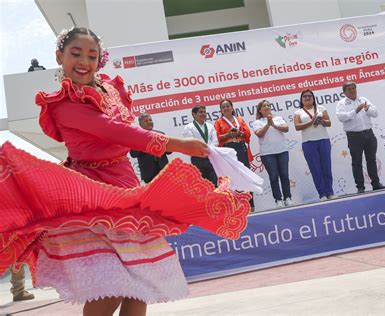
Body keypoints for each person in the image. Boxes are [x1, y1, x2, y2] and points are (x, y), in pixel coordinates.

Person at [0, 27, 251, 316]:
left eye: (91, 56)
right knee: (111, 291)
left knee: (141, 284)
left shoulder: (108, 89)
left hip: (126, 188)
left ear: (100, 60)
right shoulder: (64, 104)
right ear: (60, 56)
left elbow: (126, 127)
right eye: (75, 53)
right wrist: (176, 144)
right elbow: (116, 131)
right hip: (92, 196)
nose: (83, 61)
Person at [336, 82, 385, 193]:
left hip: (369, 134)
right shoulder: (342, 104)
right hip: (354, 136)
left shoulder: (363, 99)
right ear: (344, 92)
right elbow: (341, 117)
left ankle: (376, 183)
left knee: (371, 160)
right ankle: (360, 187)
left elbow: (375, 113)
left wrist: (366, 109)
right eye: (349, 89)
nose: (352, 90)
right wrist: (355, 111)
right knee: (357, 162)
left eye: (354, 88)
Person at [294, 90, 335, 201]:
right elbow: (297, 127)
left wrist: (320, 121)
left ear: (313, 97)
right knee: (316, 169)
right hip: (308, 143)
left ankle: (330, 192)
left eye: (309, 96)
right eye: (305, 96)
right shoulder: (298, 112)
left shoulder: (321, 108)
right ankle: (322, 194)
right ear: (301, 100)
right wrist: (311, 121)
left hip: (323, 141)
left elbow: (329, 123)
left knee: (326, 167)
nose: (307, 98)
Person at [214, 99, 255, 209]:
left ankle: (250, 205)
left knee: (245, 176)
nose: (226, 108)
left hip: (241, 148)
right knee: (232, 178)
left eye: (228, 106)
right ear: (221, 110)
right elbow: (216, 138)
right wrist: (228, 135)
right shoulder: (218, 122)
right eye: (223, 107)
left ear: (232, 108)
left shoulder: (239, 119)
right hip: (229, 150)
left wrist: (239, 133)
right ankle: (236, 206)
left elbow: (247, 134)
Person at [253, 100, 293, 208]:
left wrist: (274, 125)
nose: (266, 107)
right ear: (260, 110)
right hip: (267, 154)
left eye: (268, 105)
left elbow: (286, 129)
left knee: (284, 175)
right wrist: (268, 124)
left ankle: (288, 198)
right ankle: (278, 200)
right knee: (274, 176)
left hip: (282, 151)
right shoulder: (257, 122)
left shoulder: (278, 118)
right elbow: (259, 134)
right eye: (264, 106)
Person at [183, 105, 218, 186]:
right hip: (197, 158)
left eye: (204, 112)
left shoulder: (210, 126)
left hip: (211, 157)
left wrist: (208, 151)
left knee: (214, 184)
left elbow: (215, 141)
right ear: (194, 114)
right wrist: (202, 152)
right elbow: (191, 143)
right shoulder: (188, 128)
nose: (203, 114)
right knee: (201, 185)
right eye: (200, 112)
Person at [130, 113, 171, 183]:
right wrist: (144, 141)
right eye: (146, 121)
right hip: (148, 172)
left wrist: (162, 144)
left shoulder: (160, 134)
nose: (149, 122)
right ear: (140, 124)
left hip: (163, 169)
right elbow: (133, 154)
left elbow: (169, 151)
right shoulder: (136, 137)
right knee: (154, 193)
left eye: (150, 120)